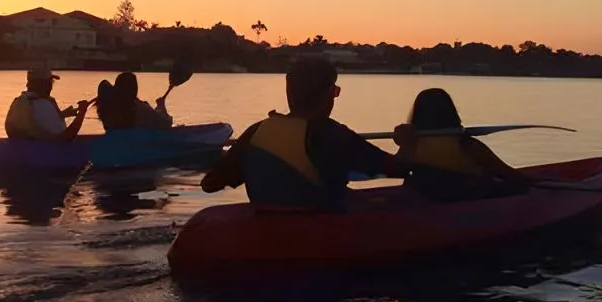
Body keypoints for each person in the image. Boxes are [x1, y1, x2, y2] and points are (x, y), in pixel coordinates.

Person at [200, 57, 418, 212]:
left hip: (265, 229)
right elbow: (400, 168)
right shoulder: (334, 136)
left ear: (290, 93)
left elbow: (210, 184)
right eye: (335, 91)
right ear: (329, 94)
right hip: (318, 231)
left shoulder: (257, 131)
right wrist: (407, 143)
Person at [395, 88, 533, 201]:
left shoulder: (410, 145)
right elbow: (510, 175)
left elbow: (396, 169)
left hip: (427, 201)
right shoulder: (467, 145)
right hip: (466, 202)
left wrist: (404, 142)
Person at [4, 67, 90, 142]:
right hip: (43, 153)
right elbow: (65, 138)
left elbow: (37, 121)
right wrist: (82, 112)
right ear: (43, 84)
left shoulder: (21, 100)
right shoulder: (42, 104)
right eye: (50, 82)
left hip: (22, 148)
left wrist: (62, 114)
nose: (51, 86)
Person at [95, 71, 173, 131]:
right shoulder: (141, 109)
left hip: (115, 147)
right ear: (135, 89)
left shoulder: (108, 109)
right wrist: (162, 105)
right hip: (137, 147)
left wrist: (159, 107)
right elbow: (165, 122)